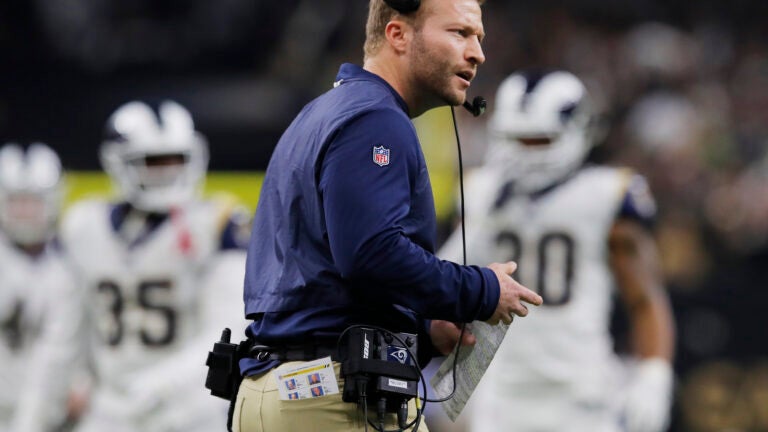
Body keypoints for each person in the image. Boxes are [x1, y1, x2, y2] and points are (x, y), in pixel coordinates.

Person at [234, 1, 543, 431]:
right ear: (397, 34)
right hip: (332, 402)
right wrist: (481, 289)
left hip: (283, 389)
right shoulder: (376, 118)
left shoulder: (326, 111)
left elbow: (324, 282)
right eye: (459, 32)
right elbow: (370, 253)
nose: (477, 52)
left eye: (479, 38)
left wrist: (422, 330)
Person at [437, 70, 676, 432]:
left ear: (579, 130)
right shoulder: (480, 191)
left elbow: (644, 296)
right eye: (516, 139)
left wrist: (653, 373)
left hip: (582, 392)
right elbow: (446, 282)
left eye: (540, 140)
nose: (526, 152)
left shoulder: (605, 194)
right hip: (499, 394)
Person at [14, 100, 252, 432]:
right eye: (154, 161)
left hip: (191, 408)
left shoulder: (216, 222)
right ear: (118, 161)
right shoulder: (84, 226)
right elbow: (62, 338)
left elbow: (231, 326)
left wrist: (167, 381)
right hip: (110, 409)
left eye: (177, 159)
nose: (168, 170)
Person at [0, 143, 81, 431]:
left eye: (33, 201)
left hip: (48, 411)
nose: (25, 212)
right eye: (16, 201)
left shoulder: (70, 265)